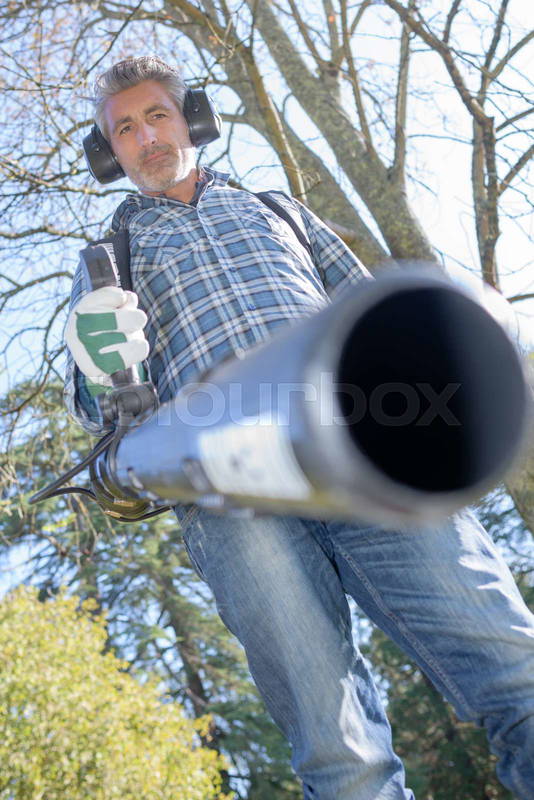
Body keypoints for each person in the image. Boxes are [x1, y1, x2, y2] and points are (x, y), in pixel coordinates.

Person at [64, 56, 534, 800]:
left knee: (518, 674)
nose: (146, 136)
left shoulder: (278, 210)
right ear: (108, 154)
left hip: (369, 455)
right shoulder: (104, 264)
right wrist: (95, 370)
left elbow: (375, 322)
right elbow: (103, 412)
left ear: (193, 120)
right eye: (124, 129)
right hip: (227, 495)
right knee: (341, 757)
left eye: (157, 115)